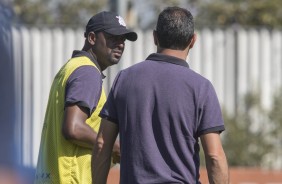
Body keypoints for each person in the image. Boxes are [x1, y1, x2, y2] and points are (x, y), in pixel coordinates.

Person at [92, 6, 229, 184]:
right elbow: (214, 156)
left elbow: (102, 144)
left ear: (155, 37)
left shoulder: (124, 79)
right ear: (193, 40)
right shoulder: (201, 87)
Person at [35, 11, 137, 184]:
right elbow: (73, 128)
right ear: (92, 38)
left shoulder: (71, 67)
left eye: (123, 40)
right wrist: (114, 146)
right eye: (113, 37)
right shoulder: (87, 72)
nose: (120, 44)